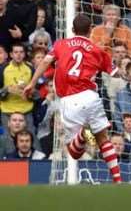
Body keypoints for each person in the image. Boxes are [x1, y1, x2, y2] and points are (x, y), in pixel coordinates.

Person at [23, 14, 122, 183]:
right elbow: (117, 73)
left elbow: (46, 62)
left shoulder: (61, 45)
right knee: (102, 138)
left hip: (69, 99)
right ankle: (118, 179)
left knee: (74, 153)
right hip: (91, 97)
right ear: (90, 30)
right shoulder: (98, 50)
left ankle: (82, 135)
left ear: (72, 30)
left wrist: (32, 83)